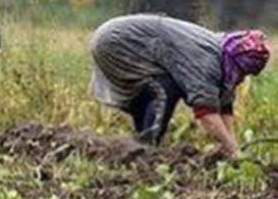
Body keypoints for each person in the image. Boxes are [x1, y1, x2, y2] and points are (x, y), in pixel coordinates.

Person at [89, 14, 269, 157]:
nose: (242, 78)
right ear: (236, 62)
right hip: (116, 42)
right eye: (242, 72)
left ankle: (136, 146)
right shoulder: (206, 62)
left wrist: (230, 144)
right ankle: (146, 151)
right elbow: (207, 114)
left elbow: (224, 105)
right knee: (165, 89)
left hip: (124, 39)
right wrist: (233, 151)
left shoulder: (223, 52)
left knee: (155, 91)